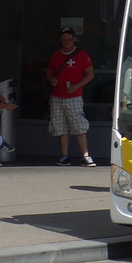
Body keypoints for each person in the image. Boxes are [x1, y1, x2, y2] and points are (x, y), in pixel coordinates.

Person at [46, 27, 96, 166]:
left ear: (74, 40)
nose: (66, 42)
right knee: (60, 126)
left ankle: (85, 155)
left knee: (79, 125)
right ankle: (64, 155)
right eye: (64, 40)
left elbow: (90, 74)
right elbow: (49, 72)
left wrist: (77, 86)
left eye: (69, 39)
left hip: (74, 96)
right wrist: (51, 79)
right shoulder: (56, 55)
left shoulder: (82, 55)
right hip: (57, 96)